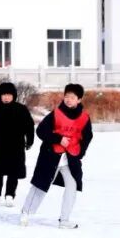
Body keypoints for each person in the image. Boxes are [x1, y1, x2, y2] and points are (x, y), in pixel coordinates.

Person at [21, 84, 93, 229]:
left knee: (72, 186)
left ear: (79, 100)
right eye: (66, 96)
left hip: (70, 159)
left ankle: (64, 220)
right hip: (51, 157)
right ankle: (25, 213)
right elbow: (41, 131)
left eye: (72, 97)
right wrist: (58, 139)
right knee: (40, 186)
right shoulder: (56, 114)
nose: (68, 100)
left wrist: (80, 153)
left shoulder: (84, 118)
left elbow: (87, 137)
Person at [0, 82, 34, 207]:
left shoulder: (21, 109)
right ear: (0, 96)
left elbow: (29, 126)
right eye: (4, 95)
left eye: (9, 95)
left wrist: (30, 140)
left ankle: (10, 195)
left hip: (16, 146)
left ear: (13, 96)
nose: (6, 97)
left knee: (13, 172)